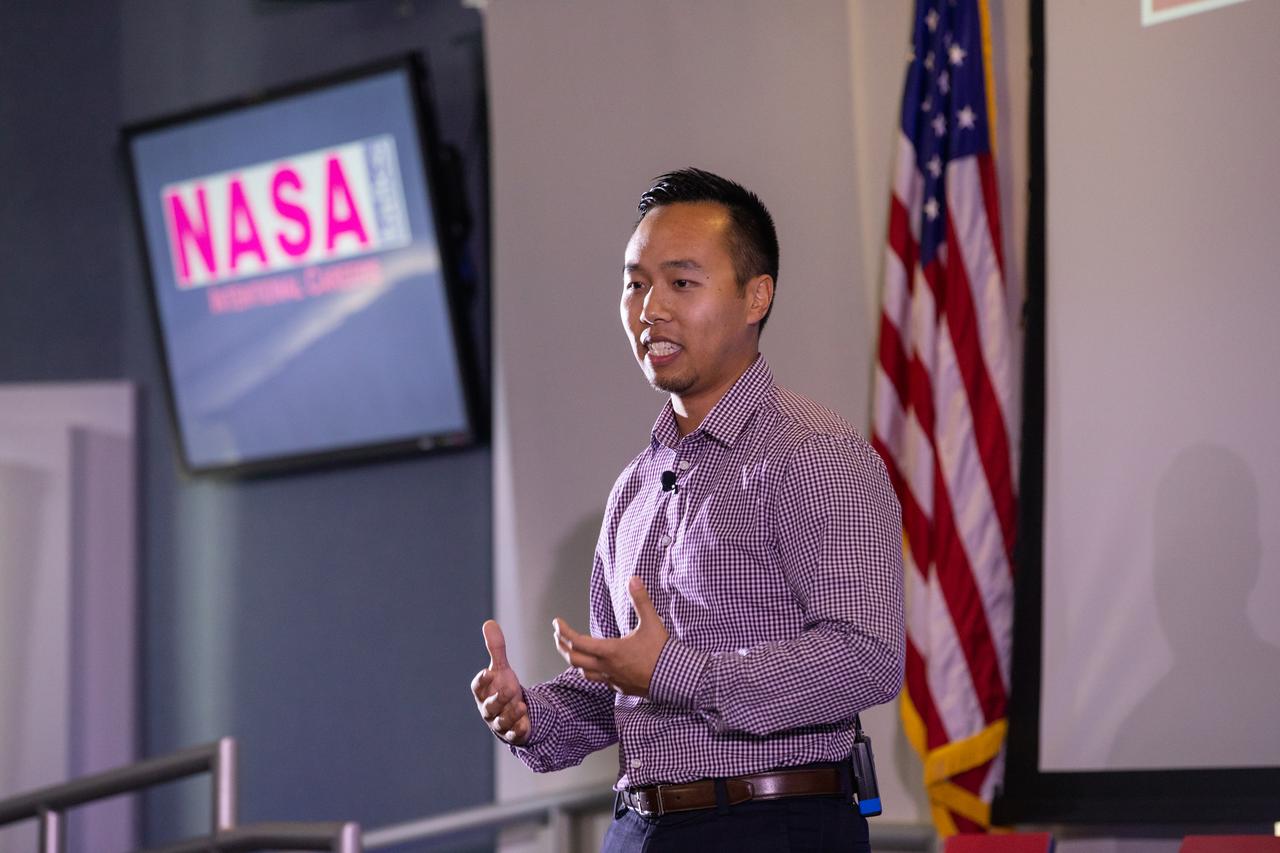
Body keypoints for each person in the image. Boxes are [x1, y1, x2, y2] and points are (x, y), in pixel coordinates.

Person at [471, 168, 904, 852]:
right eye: (634, 283)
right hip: (638, 827)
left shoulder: (812, 453)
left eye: (681, 282)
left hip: (772, 826)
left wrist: (673, 669)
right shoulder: (634, 488)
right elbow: (624, 683)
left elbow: (866, 657)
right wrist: (532, 713)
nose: (649, 310)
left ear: (756, 295)